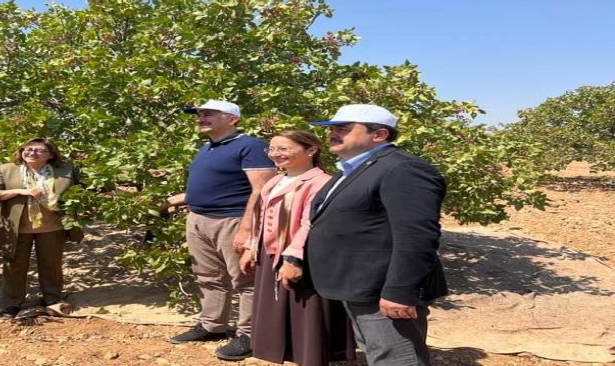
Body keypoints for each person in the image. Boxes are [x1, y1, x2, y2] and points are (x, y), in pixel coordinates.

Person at [307, 104, 448, 365]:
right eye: (332, 128)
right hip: (359, 283)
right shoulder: (355, 168)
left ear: (380, 135)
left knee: (396, 359)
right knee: (377, 352)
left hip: (382, 288)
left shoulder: (402, 169)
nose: (333, 134)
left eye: (344, 129)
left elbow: (417, 236)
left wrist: (400, 291)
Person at [163, 100, 276, 361]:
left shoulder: (251, 146)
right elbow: (206, 187)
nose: (201, 118)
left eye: (209, 114)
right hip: (199, 219)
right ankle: (213, 326)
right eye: (200, 114)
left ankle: (250, 334)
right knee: (208, 276)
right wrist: (168, 201)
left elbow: (262, 191)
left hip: (233, 221)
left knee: (246, 280)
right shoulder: (207, 147)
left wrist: (247, 229)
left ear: (232, 119)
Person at [239, 130, 355, 365]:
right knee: (276, 308)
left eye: (283, 149)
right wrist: (251, 248)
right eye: (271, 149)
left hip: (301, 256)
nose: (275, 154)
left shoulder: (321, 182)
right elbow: (258, 218)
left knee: (305, 309)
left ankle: (310, 357)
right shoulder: (275, 180)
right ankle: (285, 353)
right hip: (270, 253)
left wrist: (293, 259)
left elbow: (309, 223)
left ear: (311, 150)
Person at [0, 138, 84, 318]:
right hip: (17, 227)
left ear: (50, 155)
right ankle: (12, 304)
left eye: (39, 150)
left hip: (52, 226)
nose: (32, 153)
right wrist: (21, 192)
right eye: (28, 149)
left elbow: (90, 188)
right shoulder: (5, 169)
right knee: (14, 266)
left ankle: (52, 300)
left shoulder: (66, 170)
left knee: (51, 265)